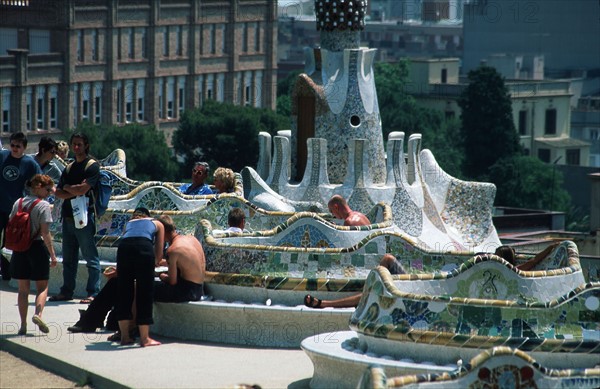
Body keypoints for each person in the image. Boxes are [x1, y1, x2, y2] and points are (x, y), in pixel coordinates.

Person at [49, 133, 101, 303]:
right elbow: (60, 193)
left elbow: (81, 190)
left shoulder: (92, 166)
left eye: (79, 144)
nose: (76, 147)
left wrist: (68, 187)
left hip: (85, 217)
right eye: (74, 144)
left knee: (90, 257)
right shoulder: (70, 167)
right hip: (68, 217)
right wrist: (72, 189)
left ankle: (93, 292)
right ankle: (66, 291)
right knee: (68, 259)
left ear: (86, 145)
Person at [10, 174, 58, 335]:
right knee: (42, 287)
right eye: (48, 189)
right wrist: (52, 254)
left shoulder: (19, 202)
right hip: (36, 247)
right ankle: (38, 314)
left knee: (23, 290)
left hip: (19, 249)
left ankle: (23, 325)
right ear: (38, 186)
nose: (49, 193)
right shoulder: (43, 205)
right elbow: (45, 233)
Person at [114, 207, 164, 347]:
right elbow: (159, 255)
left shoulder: (128, 224)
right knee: (145, 292)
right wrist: (155, 262)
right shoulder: (157, 223)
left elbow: (126, 239)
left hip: (123, 249)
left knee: (124, 291)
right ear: (149, 216)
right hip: (144, 248)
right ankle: (144, 338)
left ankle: (125, 337)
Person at [1, 132, 42, 280]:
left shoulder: (29, 163)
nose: (14, 148)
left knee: (12, 242)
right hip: (0, 206)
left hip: (16, 211)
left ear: (24, 147)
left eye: (18, 146)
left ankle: (10, 272)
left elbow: (40, 180)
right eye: (12, 145)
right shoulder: (3, 157)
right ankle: (5, 270)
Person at [304, 254, 406, 309]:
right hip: (401, 284)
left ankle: (325, 304)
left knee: (369, 295)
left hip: (402, 296)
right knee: (387, 258)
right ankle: (373, 284)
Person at [154, 215, 205, 303]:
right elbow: (187, 262)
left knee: (145, 287)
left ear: (162, 232)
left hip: (188, 292)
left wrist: (161, 276)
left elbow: (172, 281)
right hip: (200, 289)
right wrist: (165, 263)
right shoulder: (191, 239)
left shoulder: (172, 250)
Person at [495, 241, 561, 271]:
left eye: (498, 257)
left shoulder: (515, 270)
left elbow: (535, 260)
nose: (495, 260)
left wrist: (550, 247)